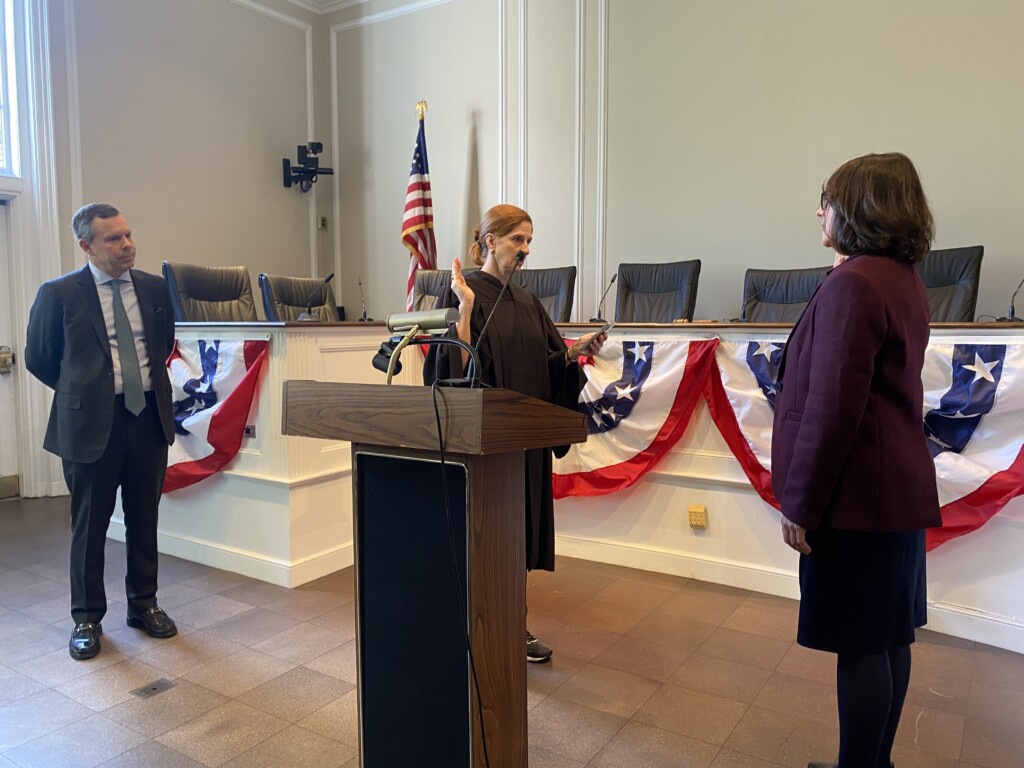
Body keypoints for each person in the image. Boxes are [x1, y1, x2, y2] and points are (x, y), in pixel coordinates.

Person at [771, 153, 941, 768]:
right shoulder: (901, 277)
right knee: (889, 636)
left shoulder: (854, 282)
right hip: (892, 493)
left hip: (854, 498)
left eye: (831, 199)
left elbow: (832, 408)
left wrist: (801, 504)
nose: (821, 210)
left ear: (862, 208)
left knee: (863, 647)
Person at [424, 204, 606, 663]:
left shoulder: (528, 304)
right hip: (485, 448)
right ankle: (466, 627)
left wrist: (571, 354)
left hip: (523, 445)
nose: (525, 250)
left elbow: (544, 368)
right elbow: (455, 372)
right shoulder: (467, 294)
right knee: (482, 538)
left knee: (515, 540)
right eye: (516, 240)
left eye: (529, 241)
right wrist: (463, 312)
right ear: (490, 242)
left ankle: (512, 625)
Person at [25, 203, 179, 660]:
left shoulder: (153, 288)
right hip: (90, 423)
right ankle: (87, 617)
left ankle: (144, 604)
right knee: (90, 524)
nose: (127, 245)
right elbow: (40, 357)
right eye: (113, 239)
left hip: (147, 418)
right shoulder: (59, 294)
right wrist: (86, 391)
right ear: (86, 246)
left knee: (143, 518)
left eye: (128, 235)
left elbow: (164, 343)